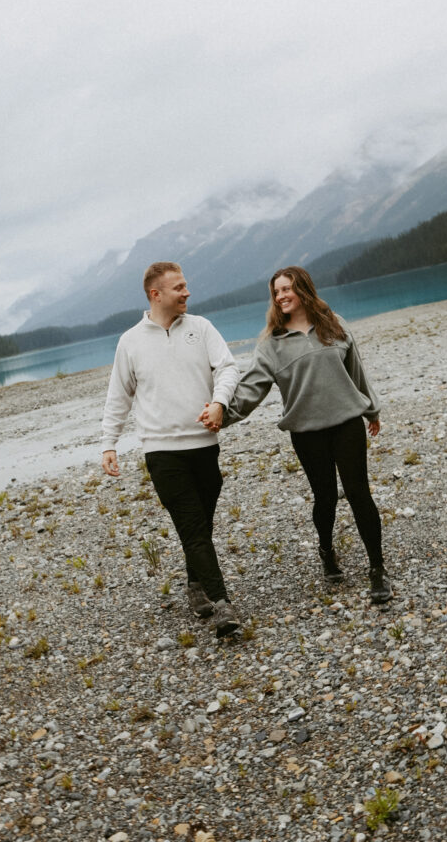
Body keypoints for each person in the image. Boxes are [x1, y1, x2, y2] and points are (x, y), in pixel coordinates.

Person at [200, 265, 392, 604]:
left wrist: (371, 409)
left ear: (303, 289)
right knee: (326, 498)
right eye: (276, 292)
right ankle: (326, 550)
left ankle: (377, 569)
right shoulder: (272, 345)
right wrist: (221, 415)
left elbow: (356, 370)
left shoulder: (334, 324)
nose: (281, 296)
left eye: (287, 289)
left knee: (359, 493)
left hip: (347, 423)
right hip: (307, 433)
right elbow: (250, 390)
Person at [101, 261, 242, 637]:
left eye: (186, 285)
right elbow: (119, 396)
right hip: (162, 453)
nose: (187, 292)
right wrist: (108, 443)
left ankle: (195, 586)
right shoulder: (130, 342)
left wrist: (219, 403)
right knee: (192, 527)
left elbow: (227, 368)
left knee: (200, 525)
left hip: (204, 446)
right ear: (156, 294)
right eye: (179, 287)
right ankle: (222, 605)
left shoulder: (202, 328)